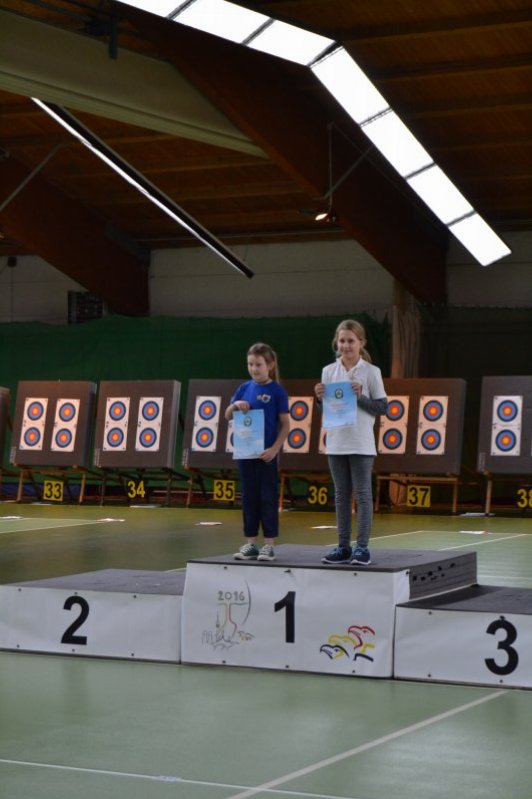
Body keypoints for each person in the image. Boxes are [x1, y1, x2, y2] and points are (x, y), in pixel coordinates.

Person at [315, 319, 388, 565]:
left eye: (351, 341)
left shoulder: (371, 372)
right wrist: (319, 399)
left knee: (363, 495)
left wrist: (361, 397)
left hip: (361, 442)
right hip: (336, 442)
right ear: (337, 342)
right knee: (341, 496)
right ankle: (343, 547)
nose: (346, 345)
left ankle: (362, 548)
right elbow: (327, 409)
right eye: (342, 341)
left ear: (361, 343)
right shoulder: (328, 371)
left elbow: (383, 407)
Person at [225, 342, 290, 562]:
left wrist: (274, 449)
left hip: (266, 456)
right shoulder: (244, 388)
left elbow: (286, 425)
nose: (254, 369)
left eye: (258, 364)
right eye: (250, 364)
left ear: (270, 365)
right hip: (245, 454)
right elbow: (227, 415)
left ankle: (269, 545)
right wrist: (235, 405)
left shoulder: (277, 391)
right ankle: (250, 543)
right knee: (249, 498)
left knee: (267, 497)